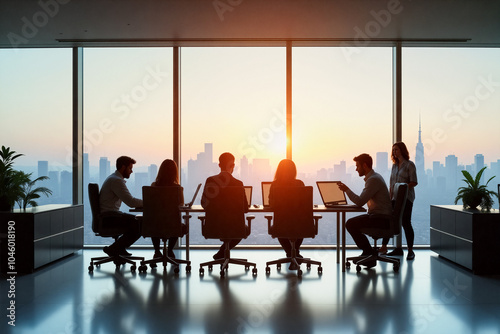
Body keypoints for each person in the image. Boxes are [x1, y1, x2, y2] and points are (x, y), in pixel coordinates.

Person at [338, 153, 392, 268]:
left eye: (357, 166)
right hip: (380, 216)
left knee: (350, 224)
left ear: (365, 165)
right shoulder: (374, 178)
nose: (356, 169)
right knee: (352, 223)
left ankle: (369, 253)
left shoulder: (373, 180)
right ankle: (368, 252)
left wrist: (346, 190)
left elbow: (360, 201)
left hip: (380, 219)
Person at [201, 152, 248, 260]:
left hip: (213, 227)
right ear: (233, 166)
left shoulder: (210, 181)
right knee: (242, 230)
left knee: (237, 230)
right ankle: (222, 252)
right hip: (235, 227)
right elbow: (245, 209)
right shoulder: (238, 184)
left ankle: (221, 252)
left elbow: (204, 204)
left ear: (219, 165)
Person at [378, 142, 418, 260]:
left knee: (406, 223)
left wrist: (403, 188)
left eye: (396, 149)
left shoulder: (409, 165)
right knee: (390, 221)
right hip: (395, 198)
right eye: (393, 150)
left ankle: (410, 251)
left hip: (406, 198)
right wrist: (390, 198)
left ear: (402, 150)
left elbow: (414, 182)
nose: (394, 152)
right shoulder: (394, 166)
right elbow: (391, 183)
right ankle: (386, 247)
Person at [99, 156, 143, 257]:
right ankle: (115, 248)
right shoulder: (116, 181)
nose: (131, 171)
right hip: (110, 217)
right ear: (123, 167)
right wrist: (148, 202)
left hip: (109, 216)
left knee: (137, 222)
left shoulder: (113, 178)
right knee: (140, 223)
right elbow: (131, 202)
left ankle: (119, 248)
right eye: (130, 168)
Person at [268, 159, 305, 269]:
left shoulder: (275, 185)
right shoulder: (300, 184)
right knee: (300, 226)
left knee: (279, 228)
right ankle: (295, 253)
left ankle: (290, 254)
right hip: (300, 225)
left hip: (281, 225)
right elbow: (304, 203)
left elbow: (272, 205)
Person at [150, 159, 187, 260]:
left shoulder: (154, 186)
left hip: (155, 225)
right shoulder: (178, 188)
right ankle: (170, 250)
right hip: (172, 225)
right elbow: (181, 205)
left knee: (154, 225)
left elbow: (151, 204)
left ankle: (157, 251)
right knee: (180, 226)